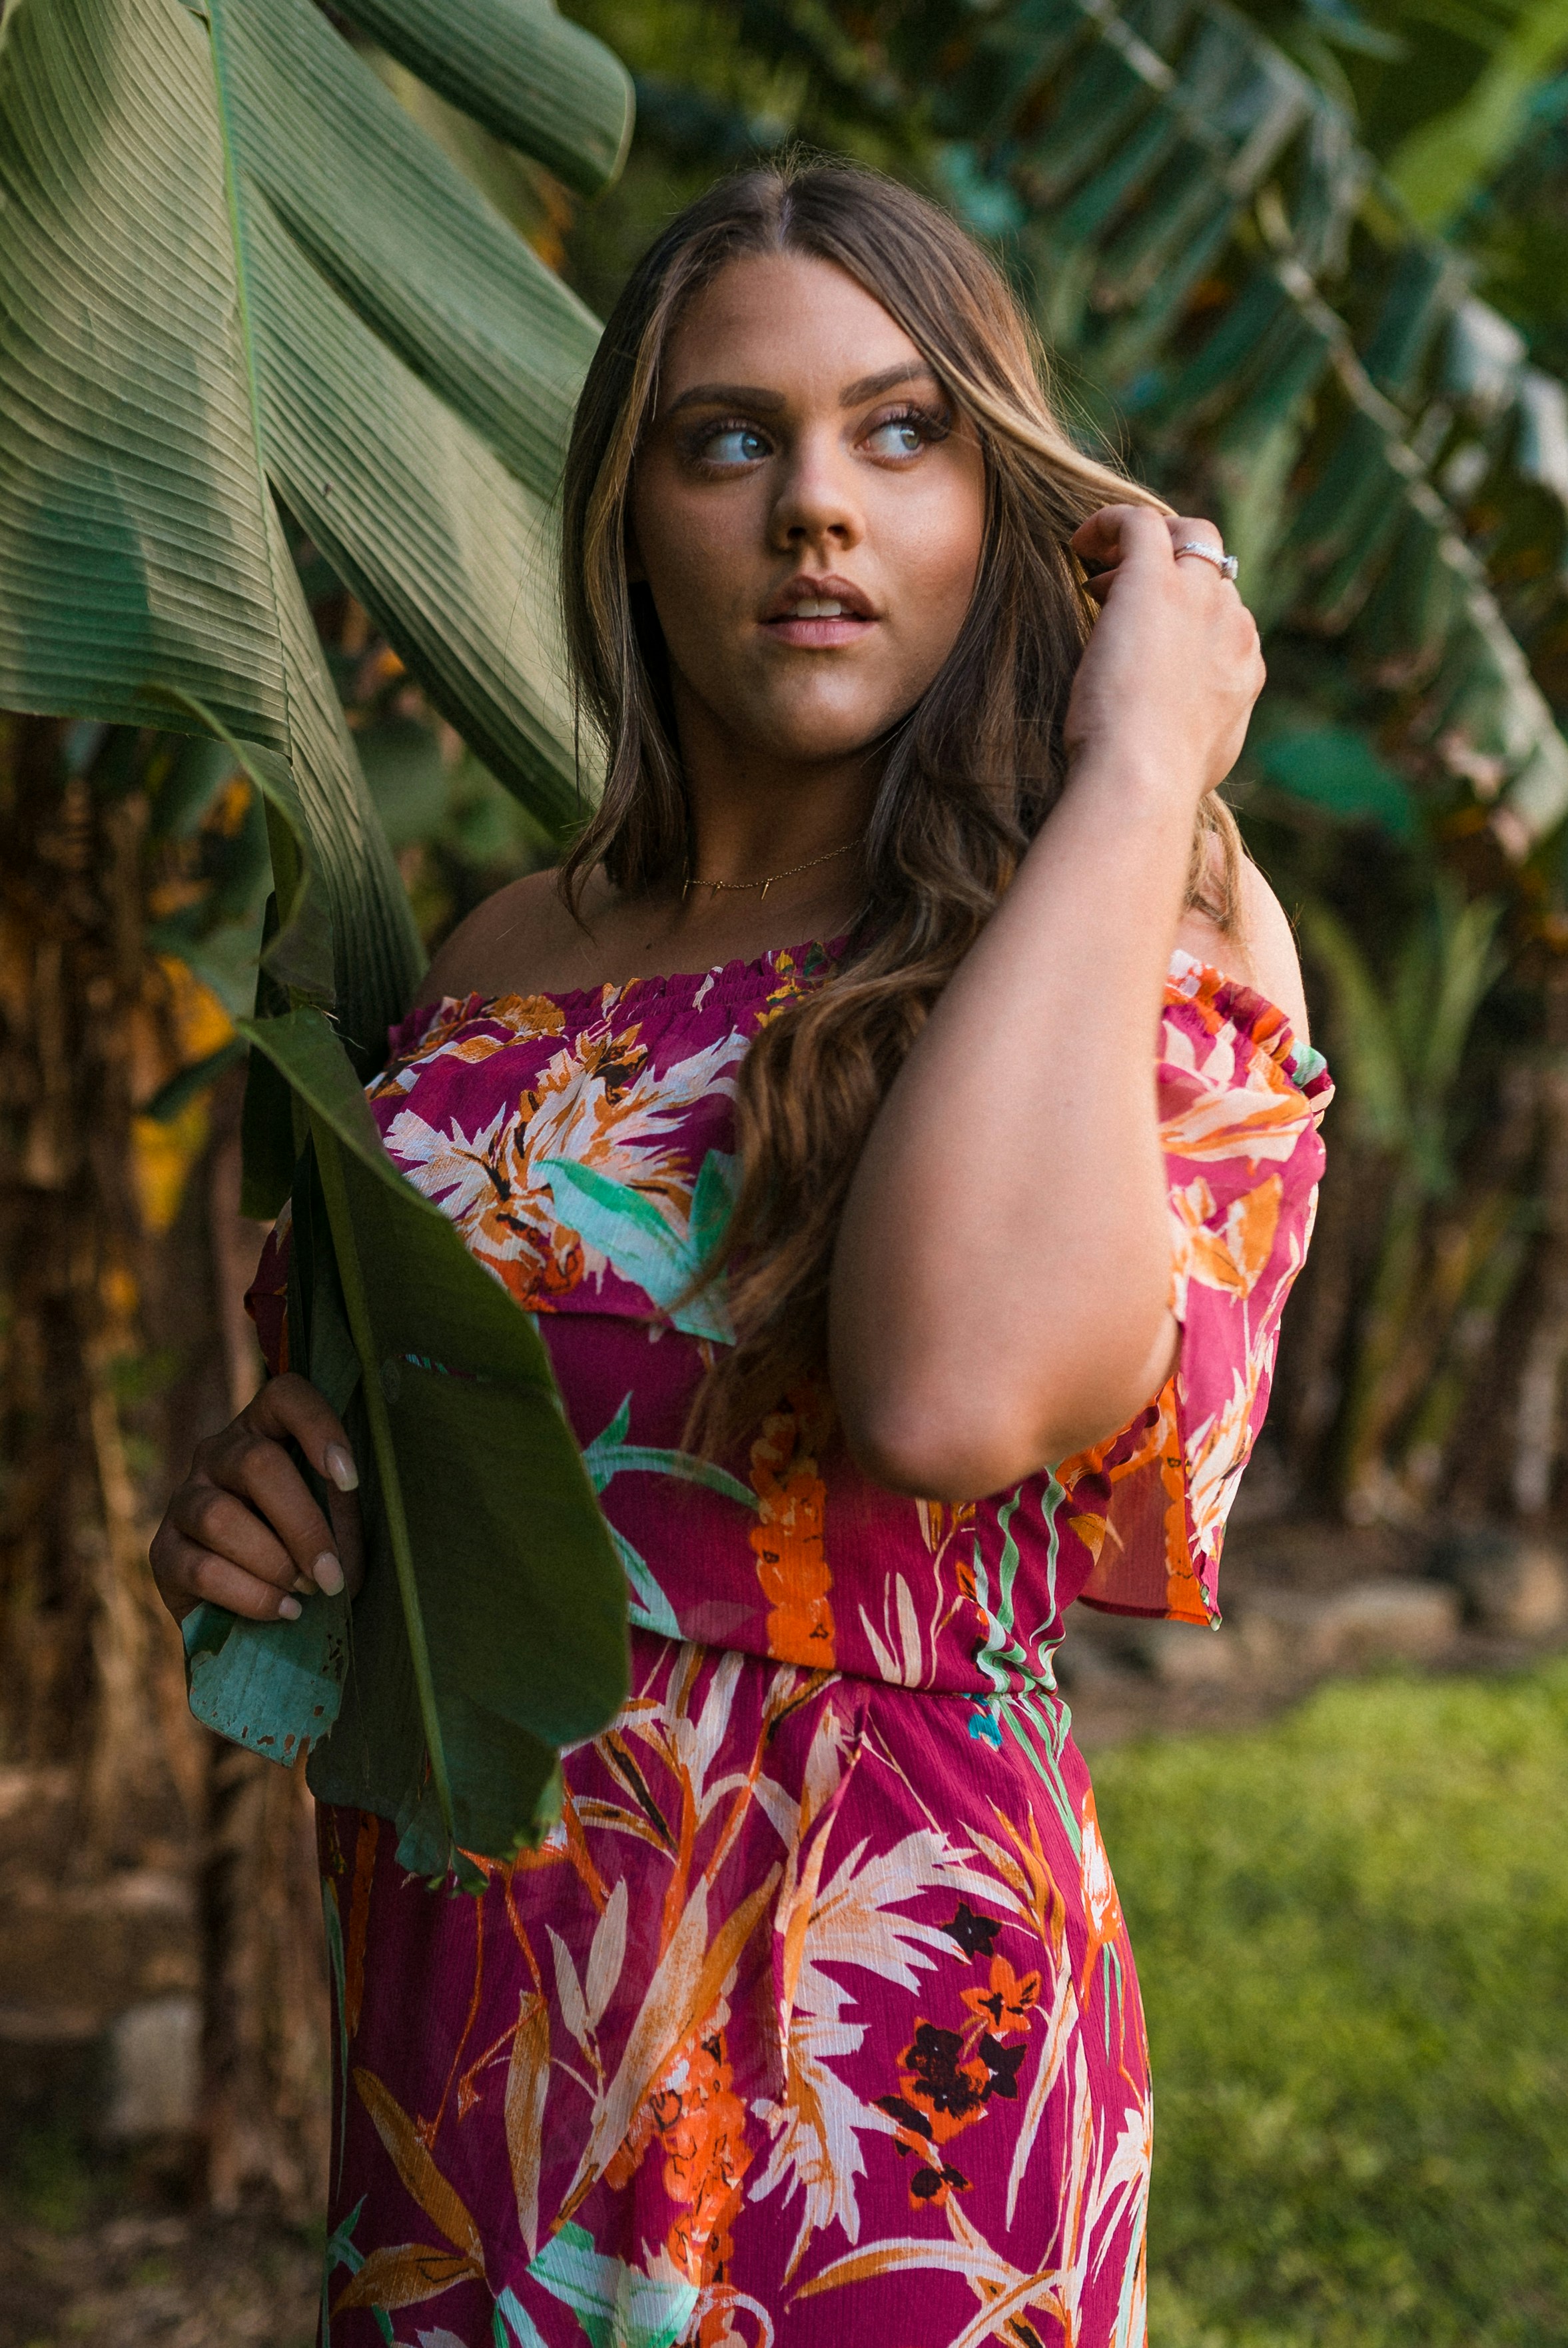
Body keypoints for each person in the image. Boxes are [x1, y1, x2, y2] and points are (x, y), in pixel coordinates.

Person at [151, 161, 1329, 2348]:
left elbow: (947, 1399)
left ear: (1003, 504)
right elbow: (462, 1457)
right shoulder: (505, 958)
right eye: (727, 440)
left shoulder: (1133, 933)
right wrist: (267, 1516)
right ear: (627, 517)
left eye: (901, 433)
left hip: (872, 2049)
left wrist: (1136, 763)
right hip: (477, 2036)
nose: (815, 509)